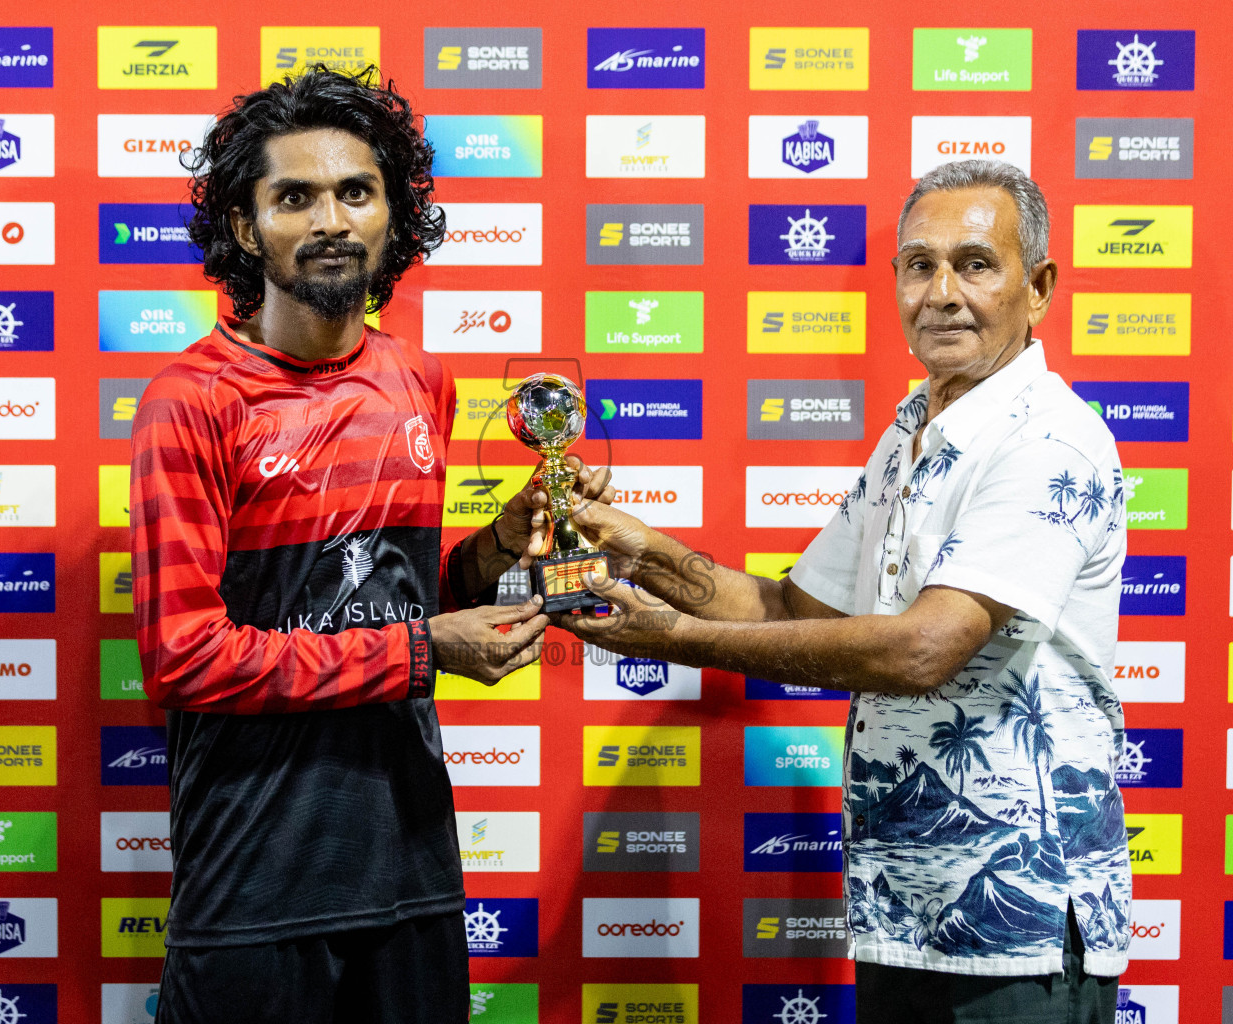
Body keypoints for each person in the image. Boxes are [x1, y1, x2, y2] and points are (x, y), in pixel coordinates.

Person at [555, 160, 1132, 1024]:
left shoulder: (1050, 440)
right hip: (902, 920)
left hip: (1021, 932)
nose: (941, 292)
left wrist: (670, 638)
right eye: (918, 264)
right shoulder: (912, 430)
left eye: (975, 263)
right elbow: (796, 610)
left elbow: (923, 647)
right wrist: (642, 552)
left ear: (1038, 287)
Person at [130, 66, 609, 1024]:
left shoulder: (417, 382)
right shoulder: (192, 402)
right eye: (293, 196)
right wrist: (427, 653)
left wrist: (500, 548)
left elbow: (393, 595)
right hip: (254, 880)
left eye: (357, 191)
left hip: (411, 864)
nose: (331, 220)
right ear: (242, 227)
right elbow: (185, 657)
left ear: (395, 214)